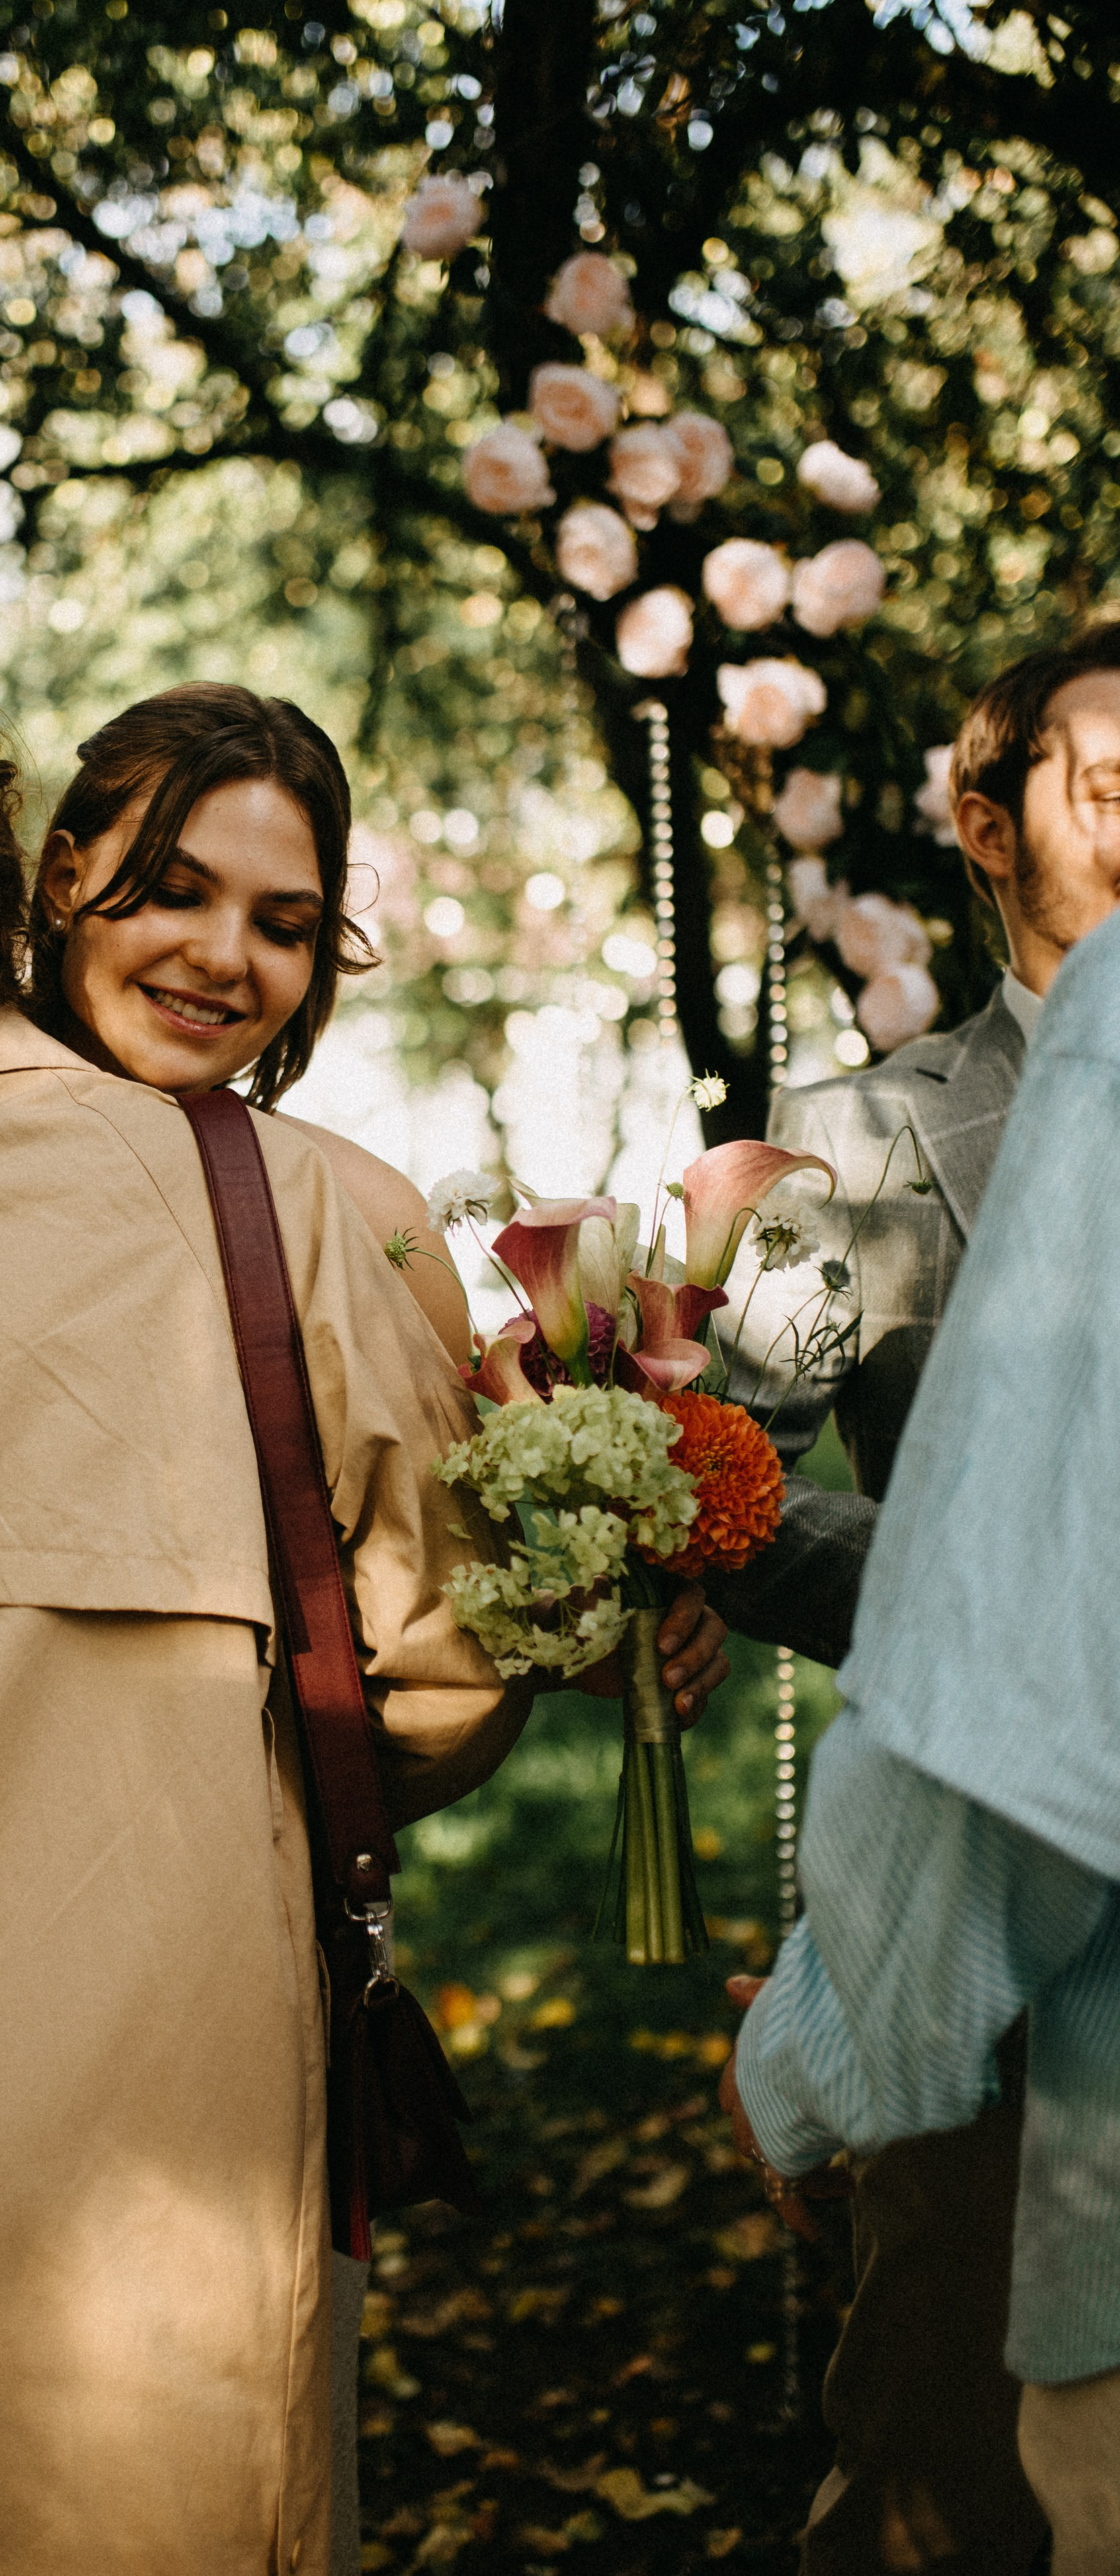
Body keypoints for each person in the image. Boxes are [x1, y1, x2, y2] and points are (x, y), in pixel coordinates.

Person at [0, 678, 731, 2576]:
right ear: (36, 874)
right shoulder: (309, 1202)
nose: (219, 956)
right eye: (173, 890)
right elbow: (438, 1668)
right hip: (149, 2104)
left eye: (282, 921)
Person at [705, 619, 1120, 2575]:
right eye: (1113, 790)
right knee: (935, 2472)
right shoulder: (863, 1142)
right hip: (973, 1930)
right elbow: (731, 1475)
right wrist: (984, 1595)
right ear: (985, 820)